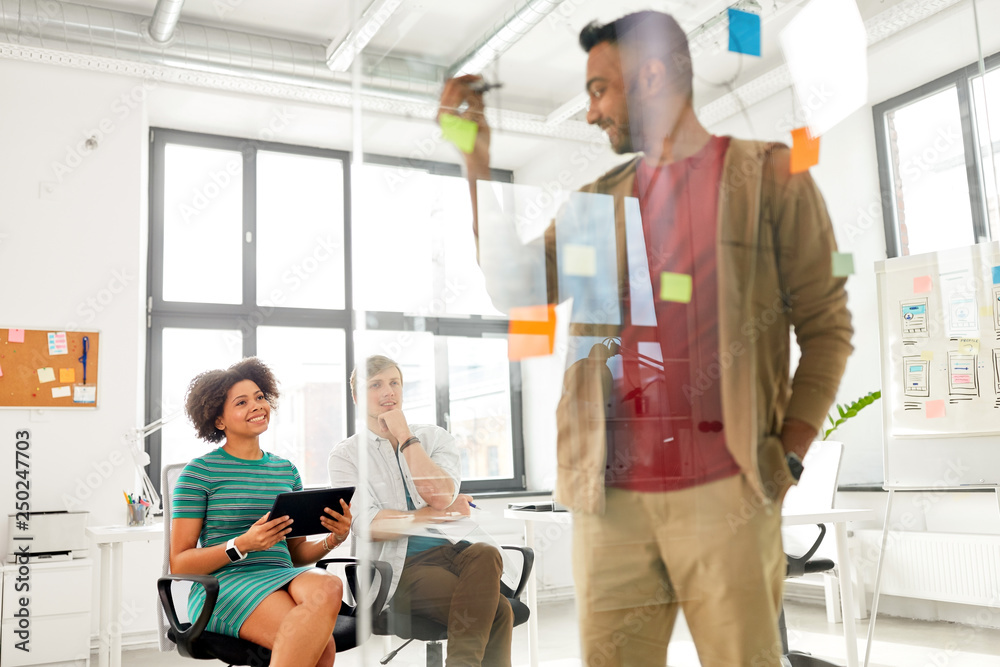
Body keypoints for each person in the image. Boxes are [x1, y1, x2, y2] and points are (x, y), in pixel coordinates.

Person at [439, 10, 853, 667]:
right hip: (611, 503)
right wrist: (477, 161)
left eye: (600, 89)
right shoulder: (595, 205)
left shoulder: (770, 177)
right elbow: (515, 286)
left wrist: (790, 457)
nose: (590, 111)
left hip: (728, 493)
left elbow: (828, 328)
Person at [328, 354, 513, 667]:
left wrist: (405, 437)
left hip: (454, 553)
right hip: (398, 569)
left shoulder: (433, 437)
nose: (389, 391)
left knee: (486, 552)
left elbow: (440, 496)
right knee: (499, 610)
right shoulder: (346, 456)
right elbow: (370, 524)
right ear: (359, 397)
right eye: (376, 385)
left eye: (394, 383)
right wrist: (431, 514)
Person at [171, 357, 353, 667]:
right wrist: (242, 544)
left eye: (259, 397)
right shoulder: (199, 473)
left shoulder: (286, 471)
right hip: (224, 583)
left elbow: (296, 555)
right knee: (322, 650)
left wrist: (333, 539)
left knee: (330, 584)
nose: (257, 406)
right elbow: (180, 563)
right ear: (219, 421)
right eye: (242, 402)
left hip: (283, 573)